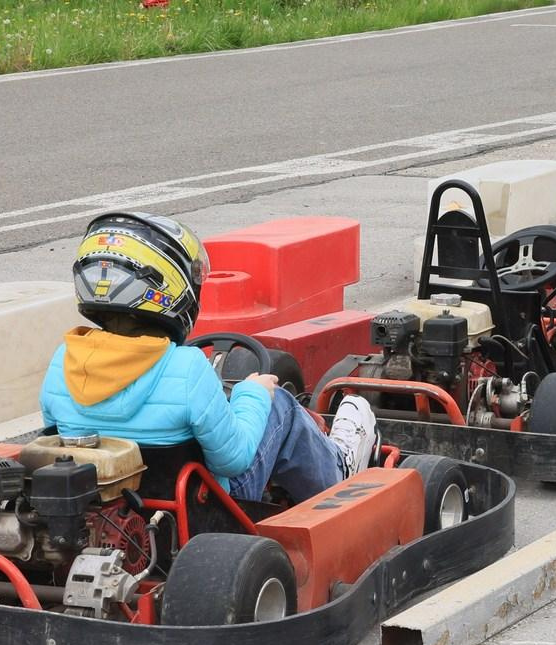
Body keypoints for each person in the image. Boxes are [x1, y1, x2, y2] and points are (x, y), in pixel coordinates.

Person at [40, 210, 377, 505]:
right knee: (279, 406)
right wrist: (252, 394)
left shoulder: (63, 360)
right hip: (206, 506)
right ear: (169, 288)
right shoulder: (186, 366)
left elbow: (55, 443)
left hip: (111, 507)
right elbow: (234, 460)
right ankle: (340, 469)